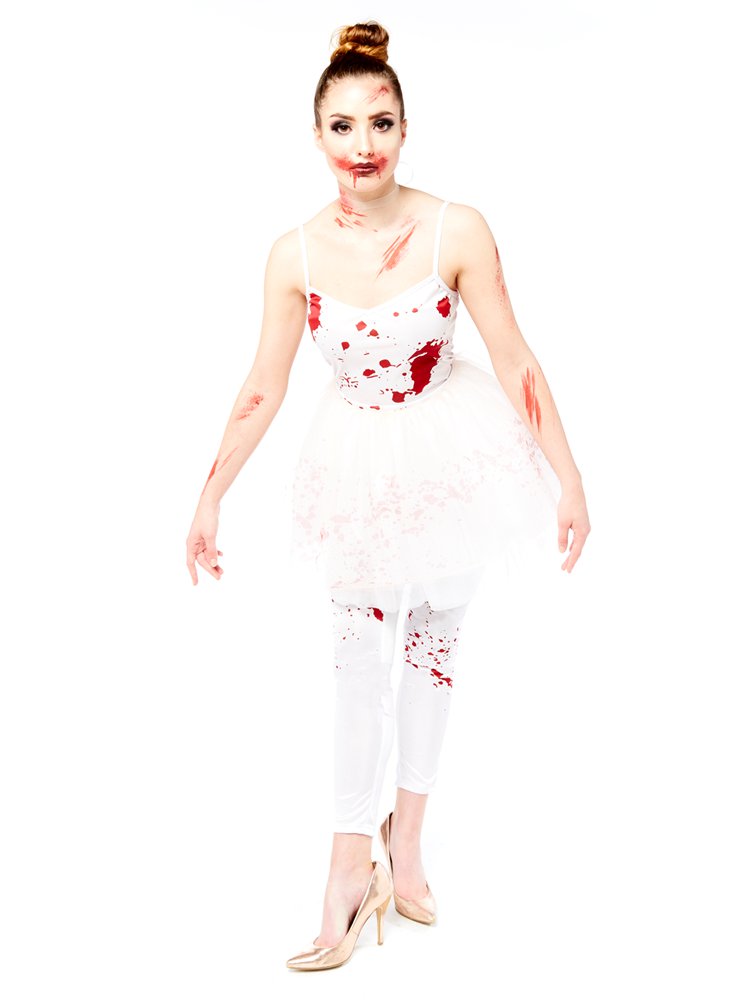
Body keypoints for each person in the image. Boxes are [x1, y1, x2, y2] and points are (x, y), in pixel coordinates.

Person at [185, 19, 591, 972]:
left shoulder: (457, 229)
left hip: (451, 457)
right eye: (342, 126)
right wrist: (209, 496)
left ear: (406, 129)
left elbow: (515, 358)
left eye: (379, 123)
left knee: (433, 649)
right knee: (356, 665)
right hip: (357, 464)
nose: (362, 145)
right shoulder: (293, 255)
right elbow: (263, 384)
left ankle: (406, 842)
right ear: (316, 135)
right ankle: (345, 867)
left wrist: (569, 476)